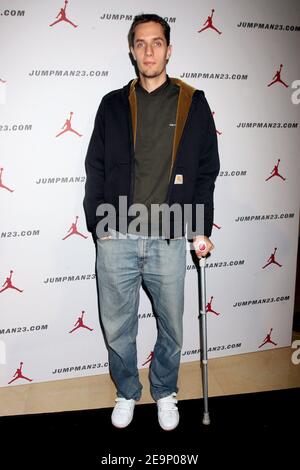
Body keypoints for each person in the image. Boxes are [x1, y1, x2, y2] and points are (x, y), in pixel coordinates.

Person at [84, 13, 220, 431]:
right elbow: (96, 166)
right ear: (131, 50)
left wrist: (199, 228)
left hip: (168, 234)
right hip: (118, 233)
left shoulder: (192, 101)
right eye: (141, 43)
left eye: (156, 43)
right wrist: (99, 226)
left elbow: (205, 169)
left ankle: (165, 390)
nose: (148, 51)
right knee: (117, 327)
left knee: (172, 328)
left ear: (169, 49)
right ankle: (127, 390)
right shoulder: (112, 104)